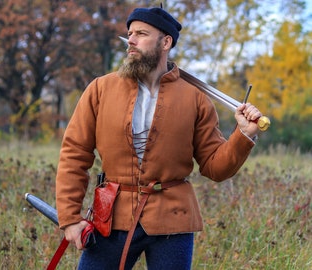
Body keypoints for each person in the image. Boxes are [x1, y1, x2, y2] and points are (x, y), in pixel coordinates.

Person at [55, 7, 262, 270]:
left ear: (166, 42)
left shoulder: (196, 99)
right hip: (112, 216)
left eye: (141, 34)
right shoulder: (100, 89)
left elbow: (215, 167)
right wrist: (71, 218)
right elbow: (74, 154)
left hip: (173, 220)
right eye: (130, 33)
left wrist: (243, 134)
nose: (131, 40)